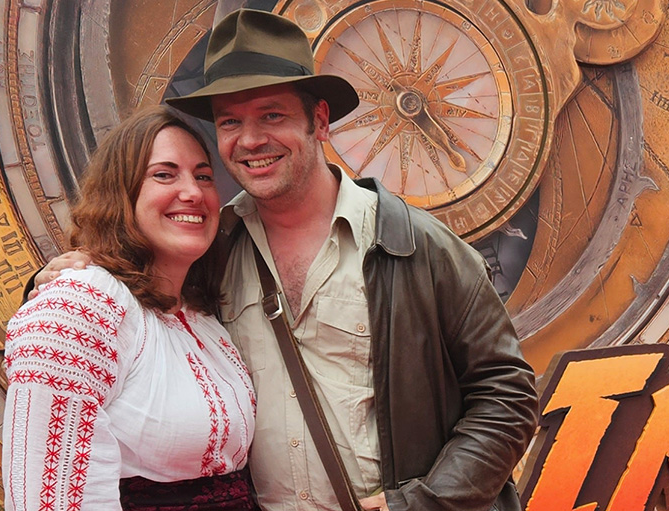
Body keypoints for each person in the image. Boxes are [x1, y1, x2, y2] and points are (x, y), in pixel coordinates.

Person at [29, 9, 538, 511]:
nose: (250, 140)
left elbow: (507, 397)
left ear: (319, 120)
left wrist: (422, 504)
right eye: (231, 121)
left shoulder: (417, 246)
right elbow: (137, 306)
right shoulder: (213, 248)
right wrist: (64, 276)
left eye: (272, 114)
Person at [3, 106, 260, 511]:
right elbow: (50, 501)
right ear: (121, 192)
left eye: (204, 176)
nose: (192, 191)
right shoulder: (79, 306)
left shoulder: (203, 314)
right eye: (164, 174)